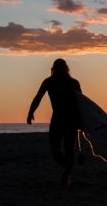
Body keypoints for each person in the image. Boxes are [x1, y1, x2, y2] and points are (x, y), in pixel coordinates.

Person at [27, 58, 81, 187]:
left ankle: (67, 171)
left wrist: (30, 113)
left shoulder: (54, 82)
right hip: (68, 119)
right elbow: (81, 104)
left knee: (57, 149)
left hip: (61, 119)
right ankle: (67, 170)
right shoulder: (70, 82)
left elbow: (37, 98)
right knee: (64, 149)